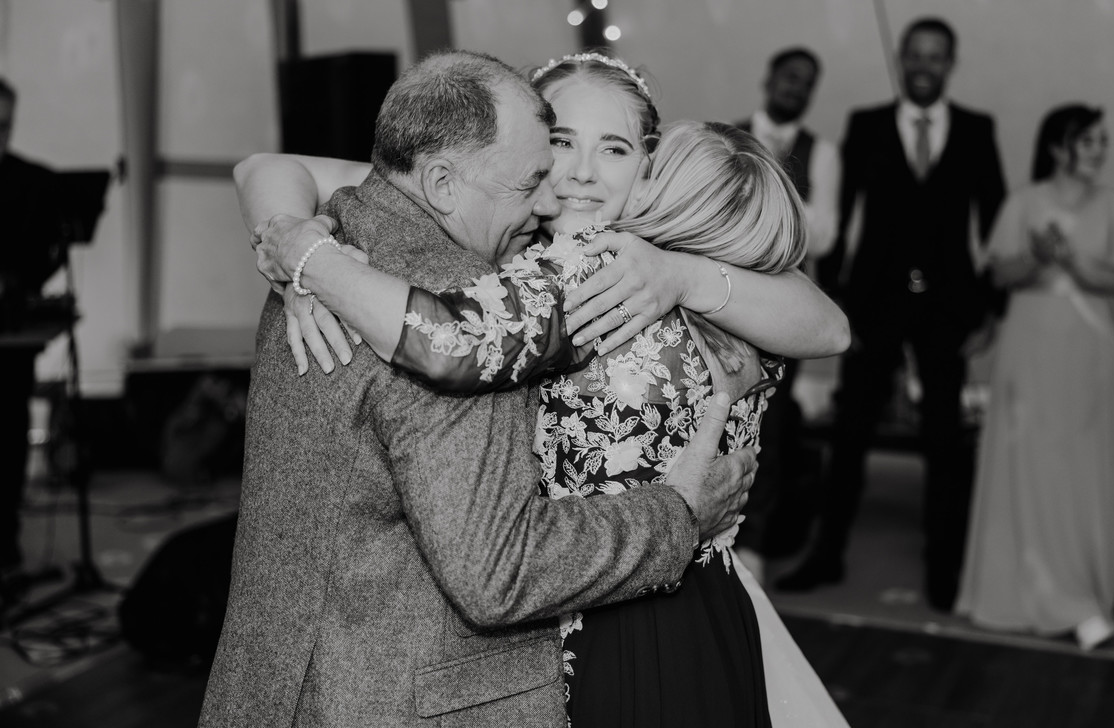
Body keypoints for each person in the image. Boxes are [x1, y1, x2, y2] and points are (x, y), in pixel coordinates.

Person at [241, 53, 851, 727]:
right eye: (558, 143)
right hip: (593, 609)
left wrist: (309, 261)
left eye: (614, 149)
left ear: (646, 170)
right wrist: (286, 238)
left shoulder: (603, 268)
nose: (581, 171)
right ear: (519, 153)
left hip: (627, 607)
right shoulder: (501, 231)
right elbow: (266, 168)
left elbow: (831, 325)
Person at [779, 16, 1007, 612]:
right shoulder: (866, 125)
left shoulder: (979, 130)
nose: (925, 66)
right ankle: (825, 555)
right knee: (850, 435)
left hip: (948, 309)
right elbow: (839, 215)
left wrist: (990, 310)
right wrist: (834, 306)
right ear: (902, 59)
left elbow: (998, 221)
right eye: (916, 55)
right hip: (873, 305)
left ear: (950, 63)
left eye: (937, 56)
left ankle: (945, 572)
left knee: (944, 443)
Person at [955, 104, 1114, 649]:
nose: (1099, 150)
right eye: (1089, 141)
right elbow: (1002, 273)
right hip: (1029, 347)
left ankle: (1080, 593)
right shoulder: (1023, 202)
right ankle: (1016, 593)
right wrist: (1038, 259)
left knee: (1078, 468)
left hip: (1087, 352)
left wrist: (1074, 261)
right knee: (1026, 463)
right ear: (1058, 147)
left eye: (1102, 141)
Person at [733, 46, 841, 581]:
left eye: (807, 82)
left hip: (782, 303)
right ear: (768, 77)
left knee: (769, 425)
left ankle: (756, 541)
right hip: (723, 298)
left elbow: (824, 235)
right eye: (789, 77)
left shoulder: (823, 154)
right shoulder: (727, 137)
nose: (795, 88)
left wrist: (772, 186)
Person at [0, 79, 63, 581]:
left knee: (7, 430)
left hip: (10, 332)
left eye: (5, 126)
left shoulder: (26, 183)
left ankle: (6, 542)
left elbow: (49, 250)